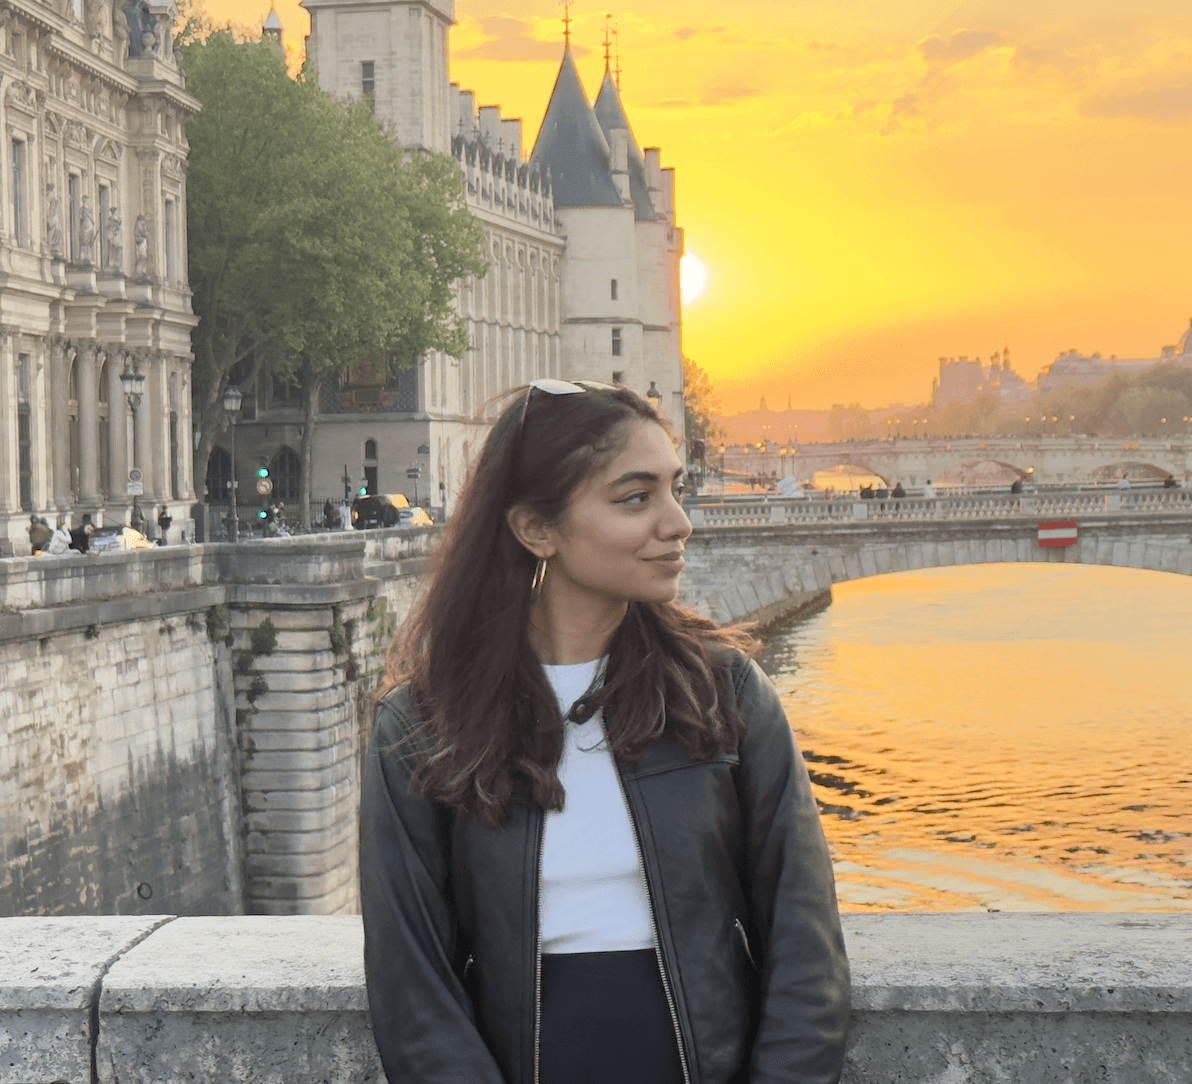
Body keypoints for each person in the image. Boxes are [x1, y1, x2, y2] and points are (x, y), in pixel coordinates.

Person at [361, 380, 850, 1084]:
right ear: (537, 529)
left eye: (675, 490)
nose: (677, 521)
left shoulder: (727, 695)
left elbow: (806, 945)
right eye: (635, 497)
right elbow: (413, 987)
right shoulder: (422, 723)